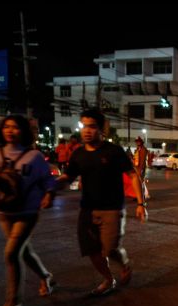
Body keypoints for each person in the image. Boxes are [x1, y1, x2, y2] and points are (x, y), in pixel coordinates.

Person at [56, 108, 147, 296]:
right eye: (84, 126)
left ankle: (124, 263)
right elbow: (68, 176)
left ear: (101, 130)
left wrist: (141, 204)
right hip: (87, 210)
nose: (87, 131)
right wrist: (52, 186)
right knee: (92, 250)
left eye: (92, 127)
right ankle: (108, 279)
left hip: (112, 209)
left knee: (110, 249)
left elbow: (132, 175)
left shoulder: (113, 151)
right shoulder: (78, 154)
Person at [0, 115, 57, 306]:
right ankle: (46, 276)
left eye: (15, 127)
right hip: (4, 211)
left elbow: (48, 180)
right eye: (6, 127)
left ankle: (13, 301)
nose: (10, 130)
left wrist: (49, 195)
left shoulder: (34, 156)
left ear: (23, 131)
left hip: (28, 211)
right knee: (23, 252)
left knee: (11, 253)